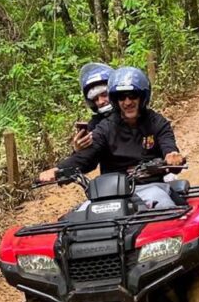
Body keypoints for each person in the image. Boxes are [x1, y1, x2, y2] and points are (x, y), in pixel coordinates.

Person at [39, 66, 184, 207]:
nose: (127, 102)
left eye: (132, 96)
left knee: (164, 206)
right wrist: (57, 170)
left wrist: (172, 157)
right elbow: (86, 156)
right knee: (79, 216)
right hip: (112, 193)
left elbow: (169, 147)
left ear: (142, 97)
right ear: (116, 100)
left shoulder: (157, 122)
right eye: (122, 97)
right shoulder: (104, 127)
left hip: (150, 186)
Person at [72, 62, 113, 152]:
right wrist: (78, 149)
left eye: (104, 94)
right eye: (95, 99)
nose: (101, 101)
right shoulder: (95, 125)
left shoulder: (137, 114)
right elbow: (82, 161)